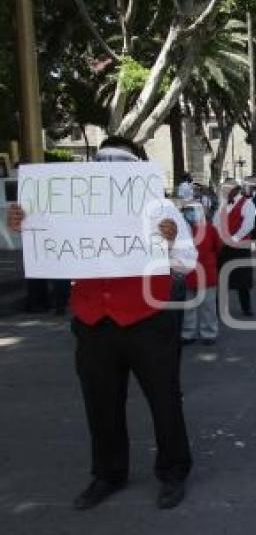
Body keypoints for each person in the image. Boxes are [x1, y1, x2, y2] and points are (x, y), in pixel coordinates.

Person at [7, 136, 197, 510]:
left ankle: (173, 471)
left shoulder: (161, 209)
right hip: (93, 321)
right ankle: (108, 473)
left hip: (149, 319)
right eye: (103, 161)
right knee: (100, 402)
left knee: (164, 398)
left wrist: (171, 241)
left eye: (120, 163)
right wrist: (22, 223)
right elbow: (39, 243)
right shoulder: (72, 207)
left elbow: (186, 263)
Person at [181, 203, 222, 346]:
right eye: (187, 211)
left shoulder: (210, 230)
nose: (189, 214)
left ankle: (209, 332)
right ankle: (188, 333)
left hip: (206, 272)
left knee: (208, 306)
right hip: (187, 272)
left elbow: (218, 248)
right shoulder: (181, 231)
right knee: (188, 306)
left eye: (192, 211)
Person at [214, 180, 256, 317]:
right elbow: (216, 222)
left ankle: (246, 307)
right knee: (222, 278)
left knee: (242, 279)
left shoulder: (247, 203)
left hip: (240, 247)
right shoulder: (223, 204)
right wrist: (219, 238)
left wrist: (233, 239)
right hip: (223, 246)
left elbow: (248, 225)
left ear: (236, 190)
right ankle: (220, 309)